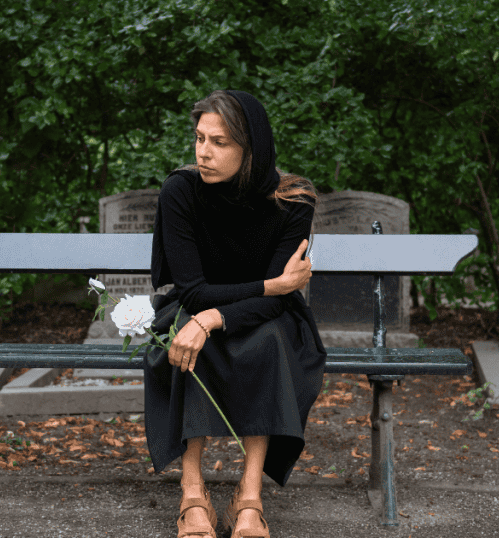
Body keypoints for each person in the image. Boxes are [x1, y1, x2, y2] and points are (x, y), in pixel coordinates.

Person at [145, 90, 326, 538]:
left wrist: (216, 318)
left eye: (219, 142)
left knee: (268, 341)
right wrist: (269, 286)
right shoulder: (180, 191)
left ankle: (249, 497)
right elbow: (193, 291)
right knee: (187, 339)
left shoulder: (293, 200)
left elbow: (277, 302)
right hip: (194, 305)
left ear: (251, 148)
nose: (203, 152)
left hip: (268, 317)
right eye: (199, 138)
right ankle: (192, 491)